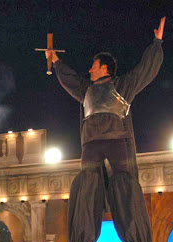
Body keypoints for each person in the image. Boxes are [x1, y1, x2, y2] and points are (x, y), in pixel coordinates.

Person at [46, 17, 165, 179]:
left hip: (116, 141)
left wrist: (157, 43)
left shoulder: (122, 86)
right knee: (89, 181)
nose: (89, 70)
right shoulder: (87, 90)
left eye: (94, 66)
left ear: (104, 68)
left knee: (122, 180)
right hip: (91, 143)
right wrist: (56, 61)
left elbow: (144, 70)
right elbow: (71, 80)